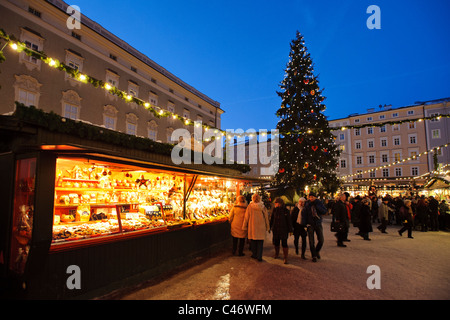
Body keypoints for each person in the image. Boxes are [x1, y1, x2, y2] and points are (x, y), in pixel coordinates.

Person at [242, 193, 270, 262]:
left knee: (253, 241)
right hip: (261, 226)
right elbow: (266, 217)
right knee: (260, 242)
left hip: (253, 226)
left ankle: (254, 254)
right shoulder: (262, 207)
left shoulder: (250, 206)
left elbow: (246, 217)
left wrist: (244, 226)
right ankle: (259, 256)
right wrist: (267, 226)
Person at [302, 192, 327, 262]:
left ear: (315, 197)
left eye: (312, 197)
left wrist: (317, 206)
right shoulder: (307, 204)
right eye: (310, 197)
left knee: (321, 240)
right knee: (311, 241)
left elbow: (324, 211)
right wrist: (305, 224)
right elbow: (304, 215)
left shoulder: (319, 203)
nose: (311, 198)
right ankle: (314, 256)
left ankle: (317, 251)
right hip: (310, 224)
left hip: (318, 223)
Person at [270, 197, 293, 264]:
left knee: (284, 243)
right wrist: (270, 226)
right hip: (276, 229)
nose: (275, 204)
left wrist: (290, 230)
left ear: (279, 203)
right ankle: (276, 254)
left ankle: (285, 257)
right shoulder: (274, 210)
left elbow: (289, 221)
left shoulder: (286, 210)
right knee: (276, 242)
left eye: (276, 203)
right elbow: (272, 219)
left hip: (283, 230)